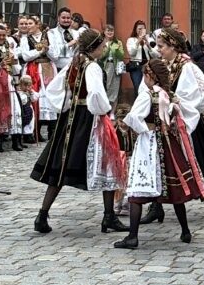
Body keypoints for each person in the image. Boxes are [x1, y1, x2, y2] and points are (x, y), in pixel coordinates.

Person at [141, 27, 204, 225]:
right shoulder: (163, 64)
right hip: (166, 119)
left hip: (190, 120)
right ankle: (156, 207)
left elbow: (202, 90)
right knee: (160, 161)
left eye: (162, 46)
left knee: (200, 160)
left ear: (173, 46)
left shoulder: (187, 66)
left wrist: (178, 106)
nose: (159, 50)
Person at [30, 30, 129, 234]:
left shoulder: (75, 62)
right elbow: (96, 93)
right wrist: (103, 111)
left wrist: (67, 105)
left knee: (61, 165)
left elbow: (55, 89)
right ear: (94, 47)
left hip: (72, 119)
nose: (104, 48)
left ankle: (42, 215)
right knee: (108, 162)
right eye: (101, 46)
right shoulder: (92, 66)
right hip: (90, 119)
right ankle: (108, 216)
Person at [115, 58, 204, 249]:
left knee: (137, 191)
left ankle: (132, 236)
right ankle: (185, 231)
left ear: (150, 76)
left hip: (149, 144)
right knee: (174, 188)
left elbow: (134, 117)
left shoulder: (147, 95)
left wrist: (143, 129)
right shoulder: (168, 94)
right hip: (167, 143)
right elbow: (184, 114)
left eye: (145, 75)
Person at [18, 16, 58, 141]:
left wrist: (48, 49)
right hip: (33, 69)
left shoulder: (49, 36)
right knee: (35, 98)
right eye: (26, 24)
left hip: (48, 68)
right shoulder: (25, 39)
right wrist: (40, 51)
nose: (27, 26)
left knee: (50, 97)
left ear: (37, 24)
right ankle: (35, 131)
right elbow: (25, 56)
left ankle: (52, 130)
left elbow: (55, 55)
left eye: (30, 23)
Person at [125, 20, 159, 93]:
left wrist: (148, 45)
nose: (141, 31)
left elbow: (156, 55)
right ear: (135, 30)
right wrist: (138, 41)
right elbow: (132, 53)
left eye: (143, 29)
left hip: (147, 67)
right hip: (136, 67)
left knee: (148, 87)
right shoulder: (131, 40)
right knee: (137, 87)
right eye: (139, 29)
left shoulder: (149, 39)